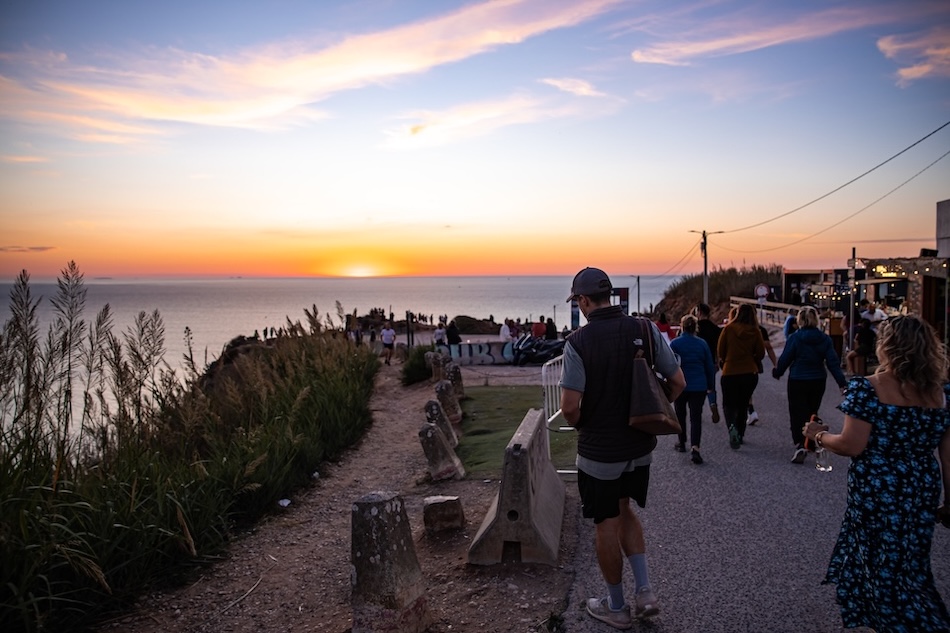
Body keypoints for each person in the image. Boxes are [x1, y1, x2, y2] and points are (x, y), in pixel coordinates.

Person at [803, 316, 950, 631]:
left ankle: (901, 623)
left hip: (877, 488)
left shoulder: (869, 388)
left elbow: (851, 444)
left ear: (888, 347)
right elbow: (948, 454)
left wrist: (817, 435)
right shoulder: (942, 393)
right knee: (912, 564)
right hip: (922, 485)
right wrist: (949, 500)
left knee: (877, 562)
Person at [559, 267, 685, 629]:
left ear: (583, 301)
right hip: (639, 447)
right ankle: (645, 592)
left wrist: (586, 425)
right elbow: (677, 382)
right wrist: (650, 415)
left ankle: (616, 607)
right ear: (609, 295)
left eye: (578, 302)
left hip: (600, 453)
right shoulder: (644, 329)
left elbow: (569, 407)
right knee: (625, 509)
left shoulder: (578, 343)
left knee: (605, 524)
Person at [772, 306, 847, 464]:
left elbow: (786, 357)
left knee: (797, 411)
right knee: (812, 411)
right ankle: (812, 441)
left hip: (798, 379)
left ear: (799, 320)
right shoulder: (824, 339)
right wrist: (842, 383)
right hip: (818, 379)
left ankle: (800, 443)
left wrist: (778, 372)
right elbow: (833, 362)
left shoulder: (795, 338)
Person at [669, 314, 716, 465]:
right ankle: (695, 448)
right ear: (695, 327)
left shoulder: (675, 344)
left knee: (680, 414)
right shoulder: (702, 344)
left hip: (680, 385)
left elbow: (670, 365)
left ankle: (681, 442)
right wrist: (711, 386)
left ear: (682, 327)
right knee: (696, 417)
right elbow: (709, 366)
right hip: (699, 385)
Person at [718, 304, 765, 449]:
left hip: (730, 371)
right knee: (743, 404)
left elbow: (720, 351)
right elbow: (761, 353)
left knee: (728, 405)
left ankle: (732, 427)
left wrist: (727, 361)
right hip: (749, 372)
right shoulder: (755, 331)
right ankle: (741, 434)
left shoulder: (728, 329)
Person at [695, 303, 722, 424]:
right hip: (711, 361)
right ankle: (713, 403)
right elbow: (718, 347)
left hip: (697, 362)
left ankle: (697, 410)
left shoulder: (695, 328)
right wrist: (717, 362)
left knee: (697, 387)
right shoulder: (715, 328)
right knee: (711, 386)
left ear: (699, 312)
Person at [747, 322, 778, 426]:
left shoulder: (733, 328)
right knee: (748, 389)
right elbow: (768, 347)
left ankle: (748, 412)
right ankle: (750, 411)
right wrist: (775, 364)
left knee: (741, 390)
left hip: (736, 364)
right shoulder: (760, 330)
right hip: (754, 364)